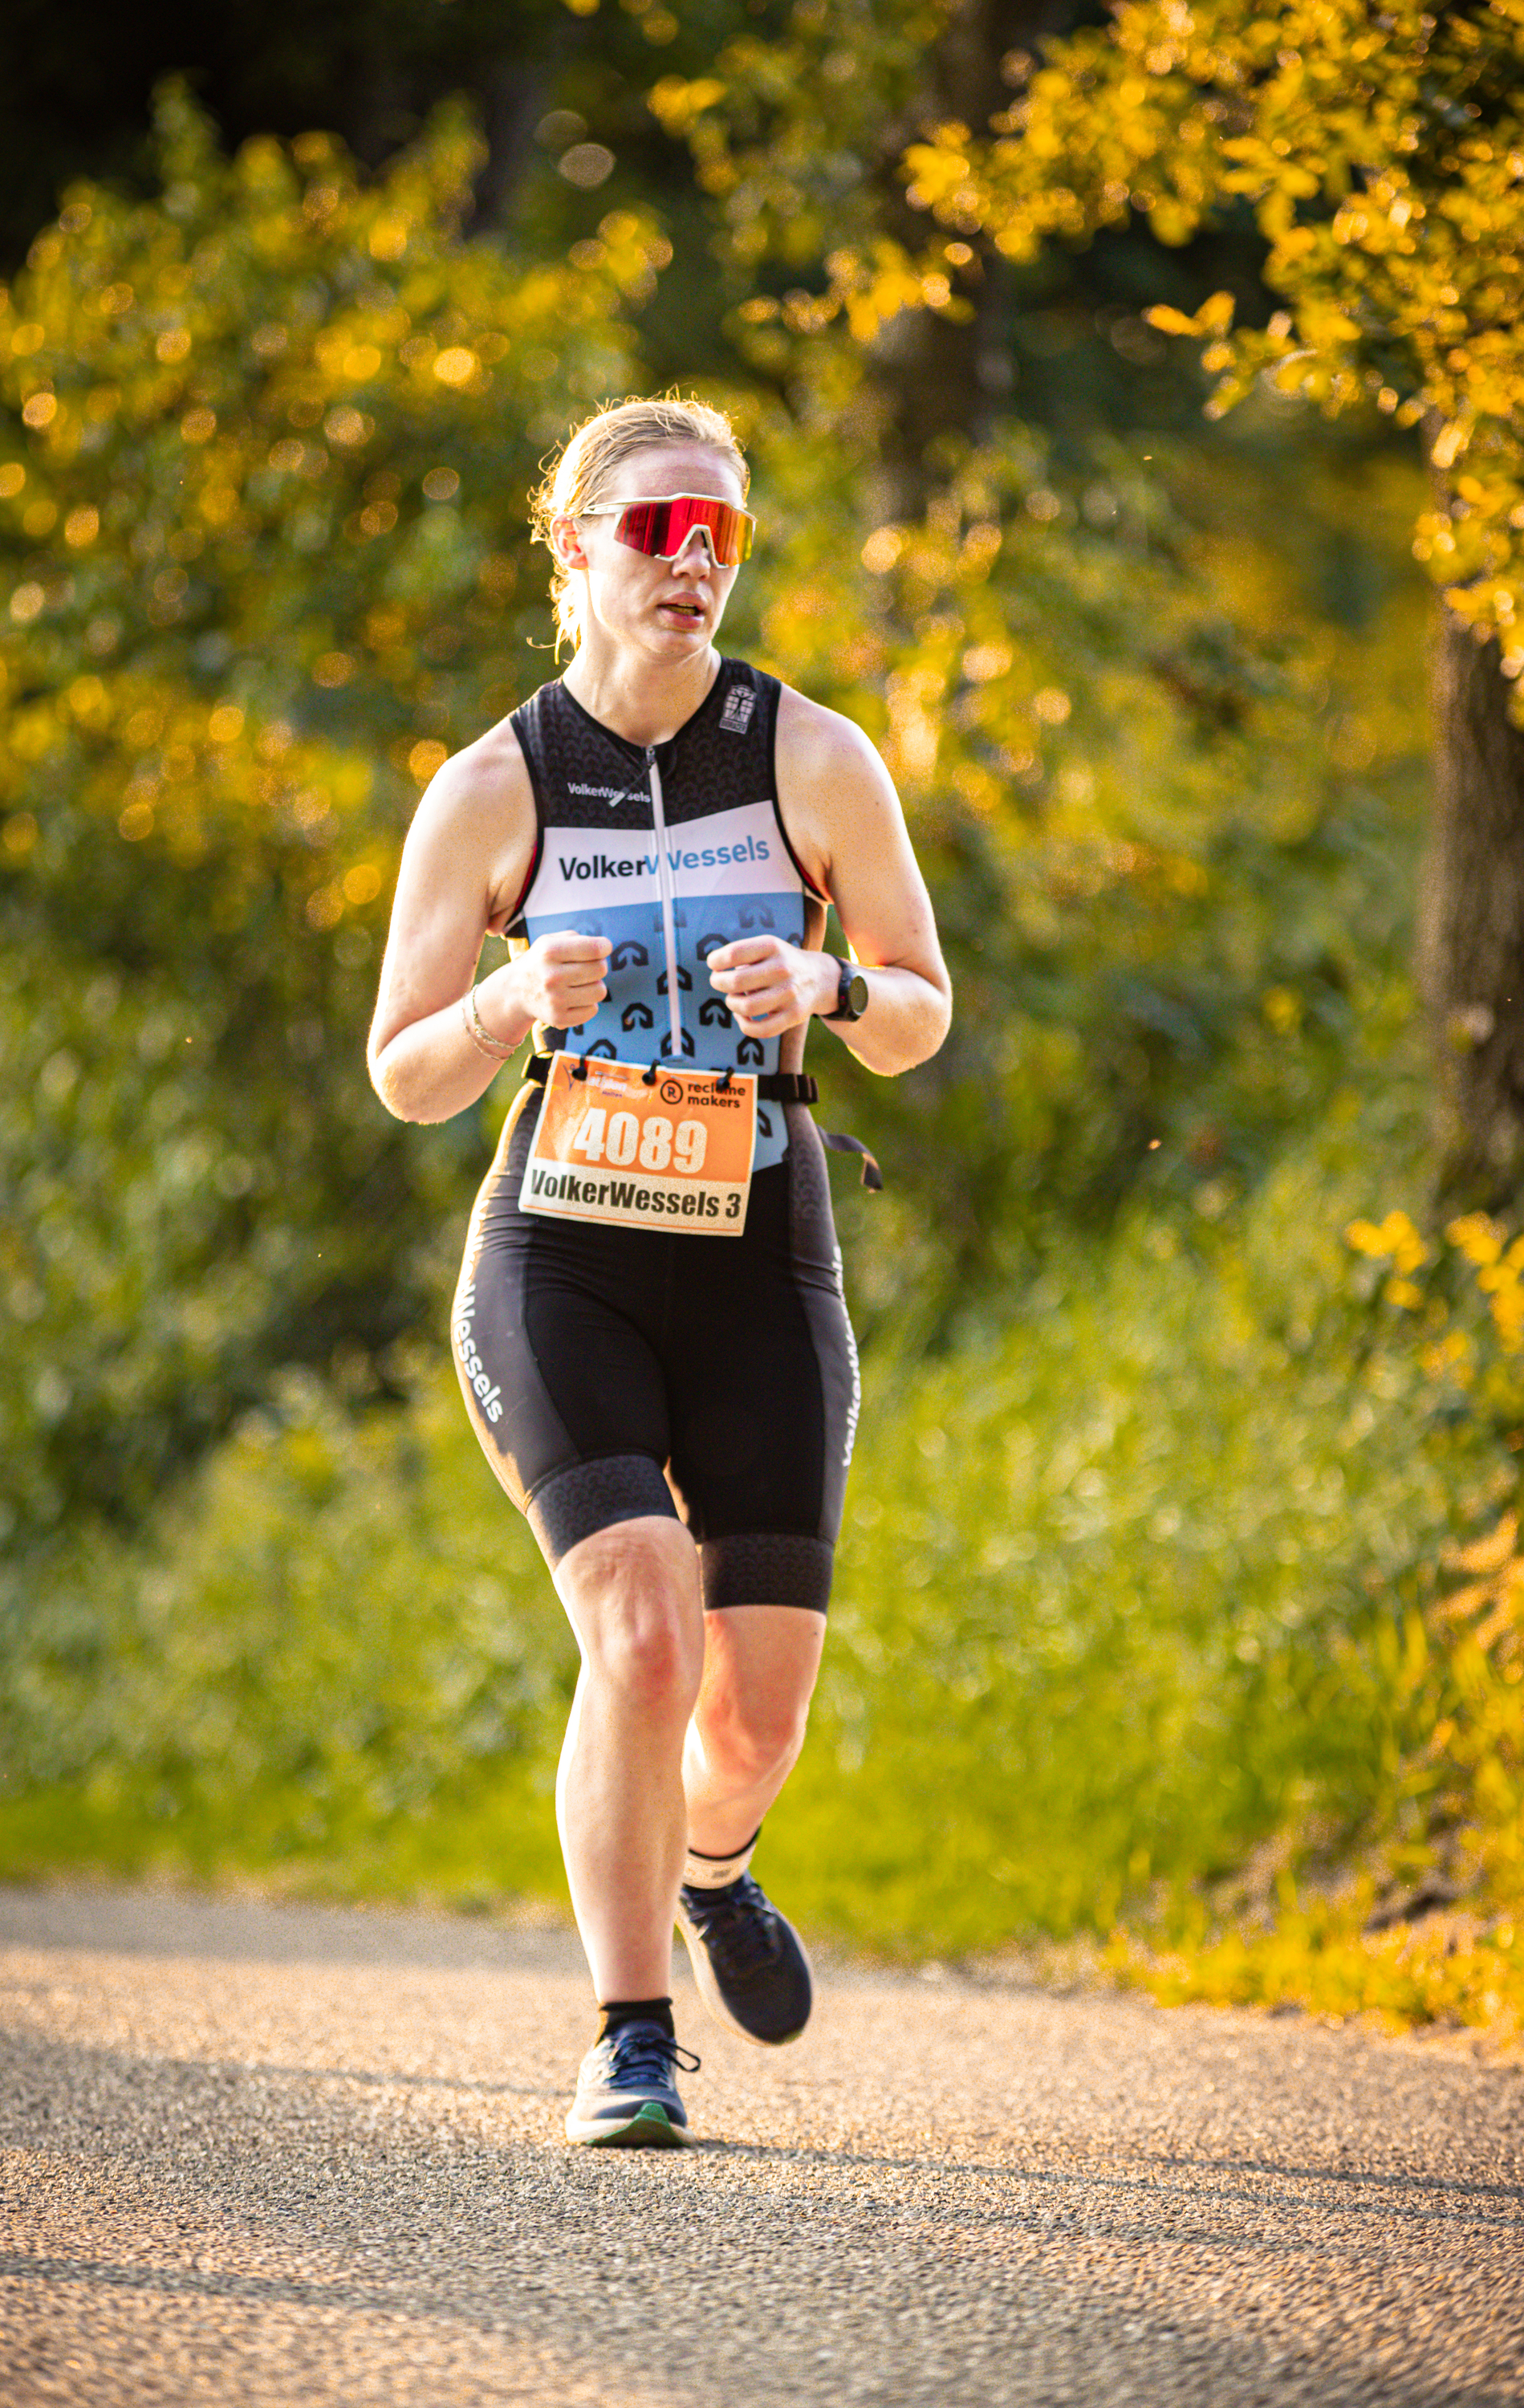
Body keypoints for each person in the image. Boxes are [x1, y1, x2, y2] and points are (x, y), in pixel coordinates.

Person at [368, 395, 950, 2146]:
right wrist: (495, 1001)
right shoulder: (490, 790)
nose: (690, 563)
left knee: (751, 1714)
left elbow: (924, 1007)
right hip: (563, 1259)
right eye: (653, 530)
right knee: (636, 1633)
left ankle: (717, 1861)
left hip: (761, 1250)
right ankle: (631, 2036)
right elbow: (403, 1070)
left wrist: (836, 993)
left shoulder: (816, 759)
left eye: (721, 535)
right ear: (575, 548)